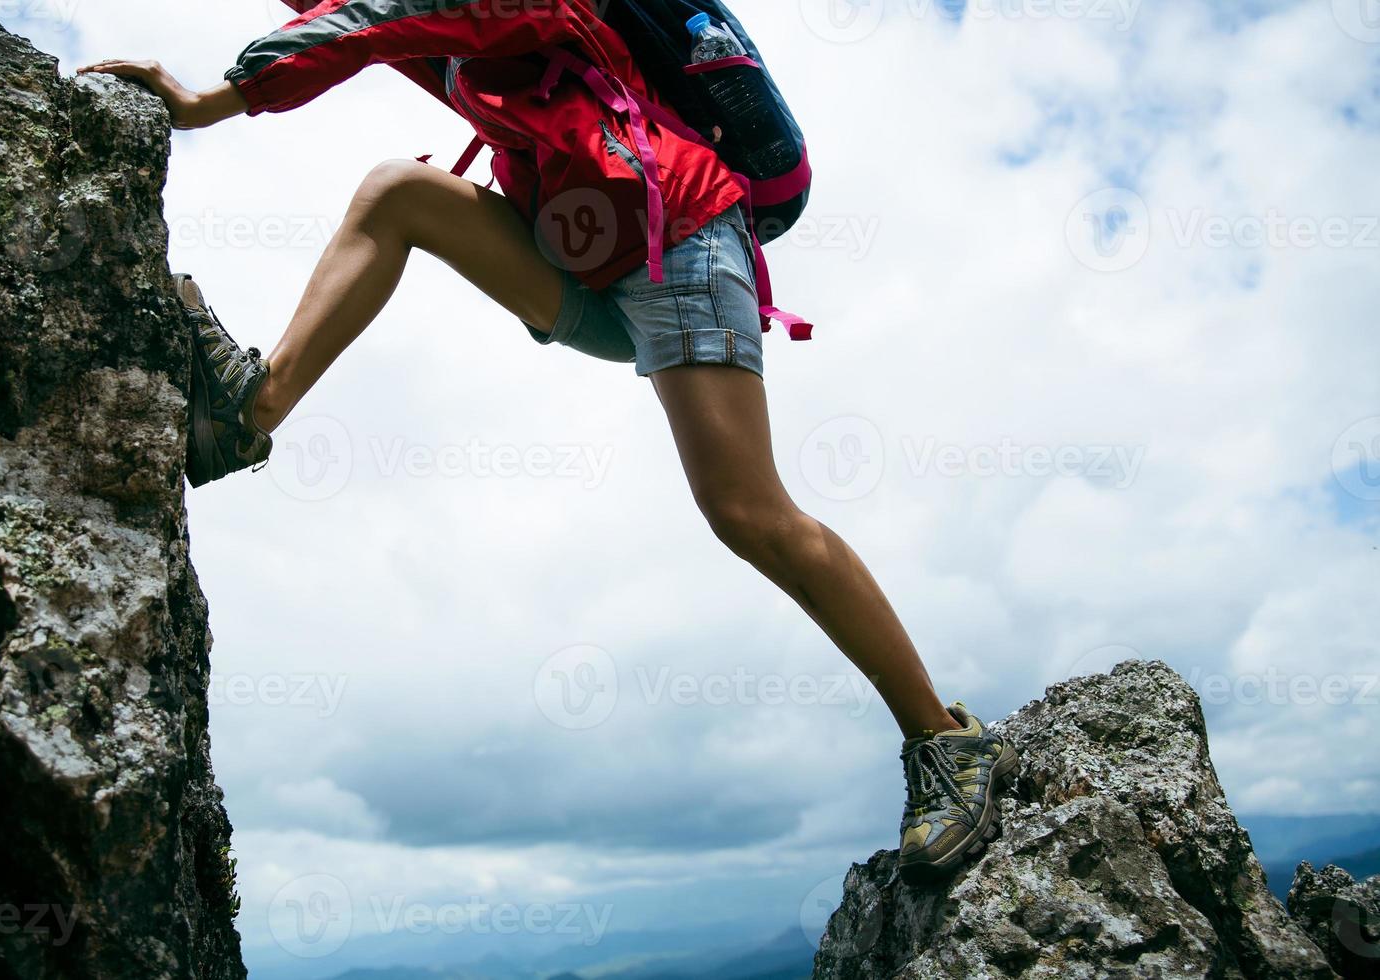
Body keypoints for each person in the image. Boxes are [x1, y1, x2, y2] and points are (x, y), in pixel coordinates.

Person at [78, 0, 1016, 883]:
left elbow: (374, 20)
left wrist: (219, 98)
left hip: (679, 242)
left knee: (746, 511)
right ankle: (247, 414)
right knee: (399, 193)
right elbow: (361, 16)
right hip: (585, 259)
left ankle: (944, 741)